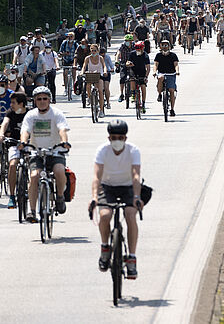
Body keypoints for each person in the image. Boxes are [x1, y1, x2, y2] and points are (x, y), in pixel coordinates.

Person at [88, 119, 142, 280]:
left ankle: (131, 257)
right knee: (105, 215)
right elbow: (97, 176)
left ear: (125, 138)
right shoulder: (102, 150)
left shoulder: (133, 151)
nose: (117, 141)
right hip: (107, 187)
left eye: (120, 137)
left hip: (128, 187)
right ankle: (105, 248)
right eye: (113, 137)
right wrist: (94, 198)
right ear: (109, 138)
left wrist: (137, 197)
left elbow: (136, 175)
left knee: (130, 215)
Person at [19, 86, 70, 222]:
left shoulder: (56, 113)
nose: (42, 101)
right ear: (35, 101)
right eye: (39, 99)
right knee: (34, 176)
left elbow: (62, 129)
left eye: (45, 99)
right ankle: (32, 210)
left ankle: (60, 197)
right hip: (36, 151)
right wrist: (23, 143)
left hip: (55, 151)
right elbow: (25, 131)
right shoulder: (31, 115)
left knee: (59, 170)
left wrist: (64, 142)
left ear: (49, 100)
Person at [0, 91, 28, 209]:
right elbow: (5, 123)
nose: (11, 105)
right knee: (12, 165)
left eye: (14, 103)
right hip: (14, 143)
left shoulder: (30, 113)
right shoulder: (10, 113)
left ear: (21, 104)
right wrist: (1, 133)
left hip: (29, 144)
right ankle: (12, 195)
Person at [154, 40, 180, 116]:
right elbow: (155, 65)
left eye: (166, 45)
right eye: (163, 45)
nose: (165, 47)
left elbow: (176, 64)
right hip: (161, 73)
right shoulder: (158, 55)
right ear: (160, 46)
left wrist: (177, 71)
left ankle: (172, 109)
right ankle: (159, 94)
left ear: (169, 46)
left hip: (171, 74)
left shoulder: (173, 55)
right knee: (160, 78)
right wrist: (154, 72)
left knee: (172, 91)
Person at [82, 44, 107, 118]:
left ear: (98, 51)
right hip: (91, 75)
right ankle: (89, 97)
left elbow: (104, 66)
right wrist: (82, 72)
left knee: (100, 91)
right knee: (88, 84)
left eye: (95, 50)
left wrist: (105, 71)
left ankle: (101, 110)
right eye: (92, 50)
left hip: (99, 76)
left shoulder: (100, 58)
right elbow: (84, 66)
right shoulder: (87, 58)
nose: (93, 52)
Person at [126, 42, 150, 112]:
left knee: (143, 87)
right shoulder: (132, 53)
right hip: (133, 70)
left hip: (142, 72)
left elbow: (148, 68)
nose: (138, 50)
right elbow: (127, 62)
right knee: (132, 79)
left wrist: (146, 76)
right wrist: (129, 64)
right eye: (137, 49)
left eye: (139, 49)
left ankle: (143, 103)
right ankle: (133, 93)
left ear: (143, 48)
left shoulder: (145, 55)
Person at [116, 34, 134, 102]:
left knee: (133, 77)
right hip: (124, 63)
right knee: (122, 78)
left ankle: (133, 93)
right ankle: (121, 94)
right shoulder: (122, 46)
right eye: (126, 40)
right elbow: (118, 54)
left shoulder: (134, 46)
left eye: (129, 41)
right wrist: (117, 62)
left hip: (132, 64)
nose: (127, 42)